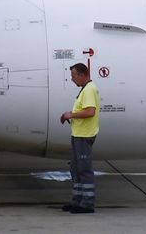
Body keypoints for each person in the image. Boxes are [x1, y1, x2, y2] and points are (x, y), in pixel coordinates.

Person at [59, 62, 100, 214]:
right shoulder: (85, 89)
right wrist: (70, 114)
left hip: (84, 135)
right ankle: (78, 201)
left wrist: (71, 114)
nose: (72, 79)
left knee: (84, 169)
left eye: (74, 76)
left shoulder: (89, 89)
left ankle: (87, 204)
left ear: (82, 75)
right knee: (75, 168)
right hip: (78, 134)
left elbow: (90, 112)